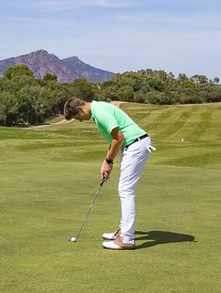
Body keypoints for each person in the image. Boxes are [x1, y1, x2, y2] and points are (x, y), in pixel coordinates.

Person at [63, 98, 154, 250]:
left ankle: (127, 238)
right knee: (125, 189)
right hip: (133, 145)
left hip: (135, 144)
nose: (79, 121)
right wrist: (107, 163)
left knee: (125, 190)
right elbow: (114, 140)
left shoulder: (100, 111)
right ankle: (123, 230)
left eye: (77, 117)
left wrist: (108, 161)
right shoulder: (98, 110)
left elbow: (119, 138)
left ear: (80, 109)